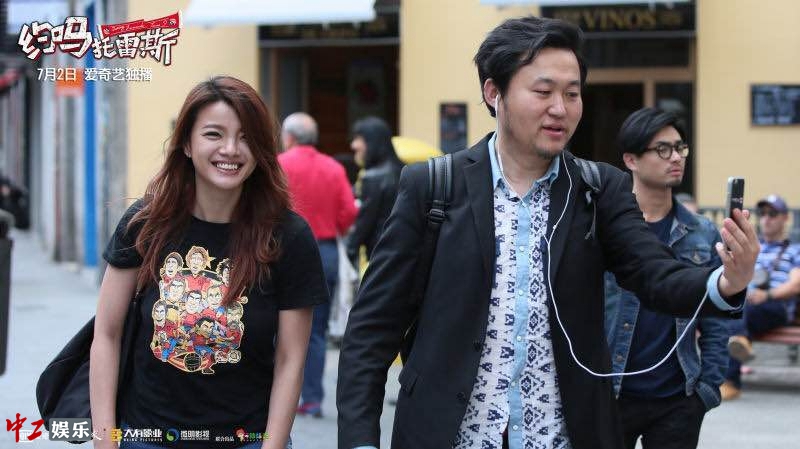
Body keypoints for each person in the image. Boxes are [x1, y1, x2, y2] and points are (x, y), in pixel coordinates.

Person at [337, 16, 759, 449]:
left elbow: (653, 273)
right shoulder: (433, 186)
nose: (561, 108)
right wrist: (360, 441)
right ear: (494, 92)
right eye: (543, 92)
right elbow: (371, 330)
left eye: (572, 94)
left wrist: (726, 281)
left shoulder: (599, 189)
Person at [90, 76, 329, 449]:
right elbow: (106, 334)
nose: (230, 149)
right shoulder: (145, 224)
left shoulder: (288, 236)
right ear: (187, 143)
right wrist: (104, 441)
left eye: (246, 137)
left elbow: (291, 358)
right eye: (214, 134)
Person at [604, 108, 728, 449]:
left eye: (679, 147)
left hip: (678, 399)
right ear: (631, 159)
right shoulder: (604, 229)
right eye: (662, 149)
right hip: (610, 394)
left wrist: (707, 389)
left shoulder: (702, 233)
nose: (676, 157)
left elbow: (716, 318)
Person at [278, 112, 357, 418]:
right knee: (316, 330)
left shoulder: (279, 165)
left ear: (289, 137)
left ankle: (275, 396)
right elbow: (348, 213)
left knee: (272, 324)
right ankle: (311, 399)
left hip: (279, 248)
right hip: (324, 252)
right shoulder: (333, 168)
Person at [721, 194, 800, 400]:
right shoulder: (753, 248)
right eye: (762, 213)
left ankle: (730, 381)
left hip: (776, 305)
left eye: (772, 214)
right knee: (729, 311)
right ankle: (740, 342)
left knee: (736, 314)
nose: (766, 218)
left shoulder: (795, 250)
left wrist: (767, 295)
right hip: (747, 303)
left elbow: (796, 284)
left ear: (785, 218)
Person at [346, 116, 404, 267]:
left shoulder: (373, 177)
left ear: (372, 142)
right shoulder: (402, 170)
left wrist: (350, 250)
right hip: (402, 250)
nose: (353, 145)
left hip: (380, 253)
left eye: (358, 139)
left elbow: (365, 222)